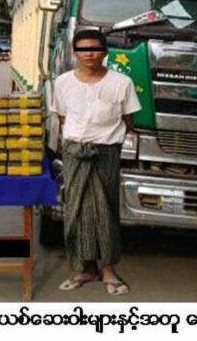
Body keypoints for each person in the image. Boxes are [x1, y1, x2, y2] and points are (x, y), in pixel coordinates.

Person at [53, 28, 142, 296]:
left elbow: (129, 120)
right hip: (74, 152)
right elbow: (62, 117)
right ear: (74, 52)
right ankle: (84, 268)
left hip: (106, 153)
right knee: (76, 211)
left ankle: (107, 270)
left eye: (94, 48)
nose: (88, 54)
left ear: (104, 52)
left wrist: (106, 140)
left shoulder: (121, 83)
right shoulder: (63, 82)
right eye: (82, 49)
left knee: (105, 210)